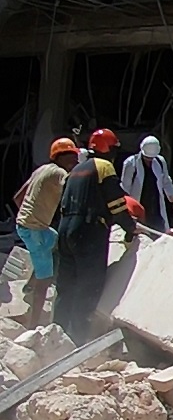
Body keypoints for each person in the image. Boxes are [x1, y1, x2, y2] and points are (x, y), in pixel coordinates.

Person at [53, 129, 136, 341]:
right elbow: (116, 201)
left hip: (65, 230)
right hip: (88, 230)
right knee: (88, 284)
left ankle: (56, 336)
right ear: (108, 149)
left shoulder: (75, 170)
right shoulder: (104, 166)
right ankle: (80, 339)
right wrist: (130, 227)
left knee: (66, 285)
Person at [13, 138, 79, 328]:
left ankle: (30, 285)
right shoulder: (60, 173)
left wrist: (30, 215)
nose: (74, 162)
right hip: (35, 230)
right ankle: (33, 326)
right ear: (62, 157)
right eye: (72, 158)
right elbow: (73, 189)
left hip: (29, 226)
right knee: (46, 279)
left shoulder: (41, 169)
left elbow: (18, 197)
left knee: (57, 241)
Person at [118, 135, 173, 234]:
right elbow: (125, 187)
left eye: (151, 158)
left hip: (156, 206)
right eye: (147, 157)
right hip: (139, 206)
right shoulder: (131, 163)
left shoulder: (160, 161)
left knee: (159, 232)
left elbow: (166, 181)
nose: (149, 160)